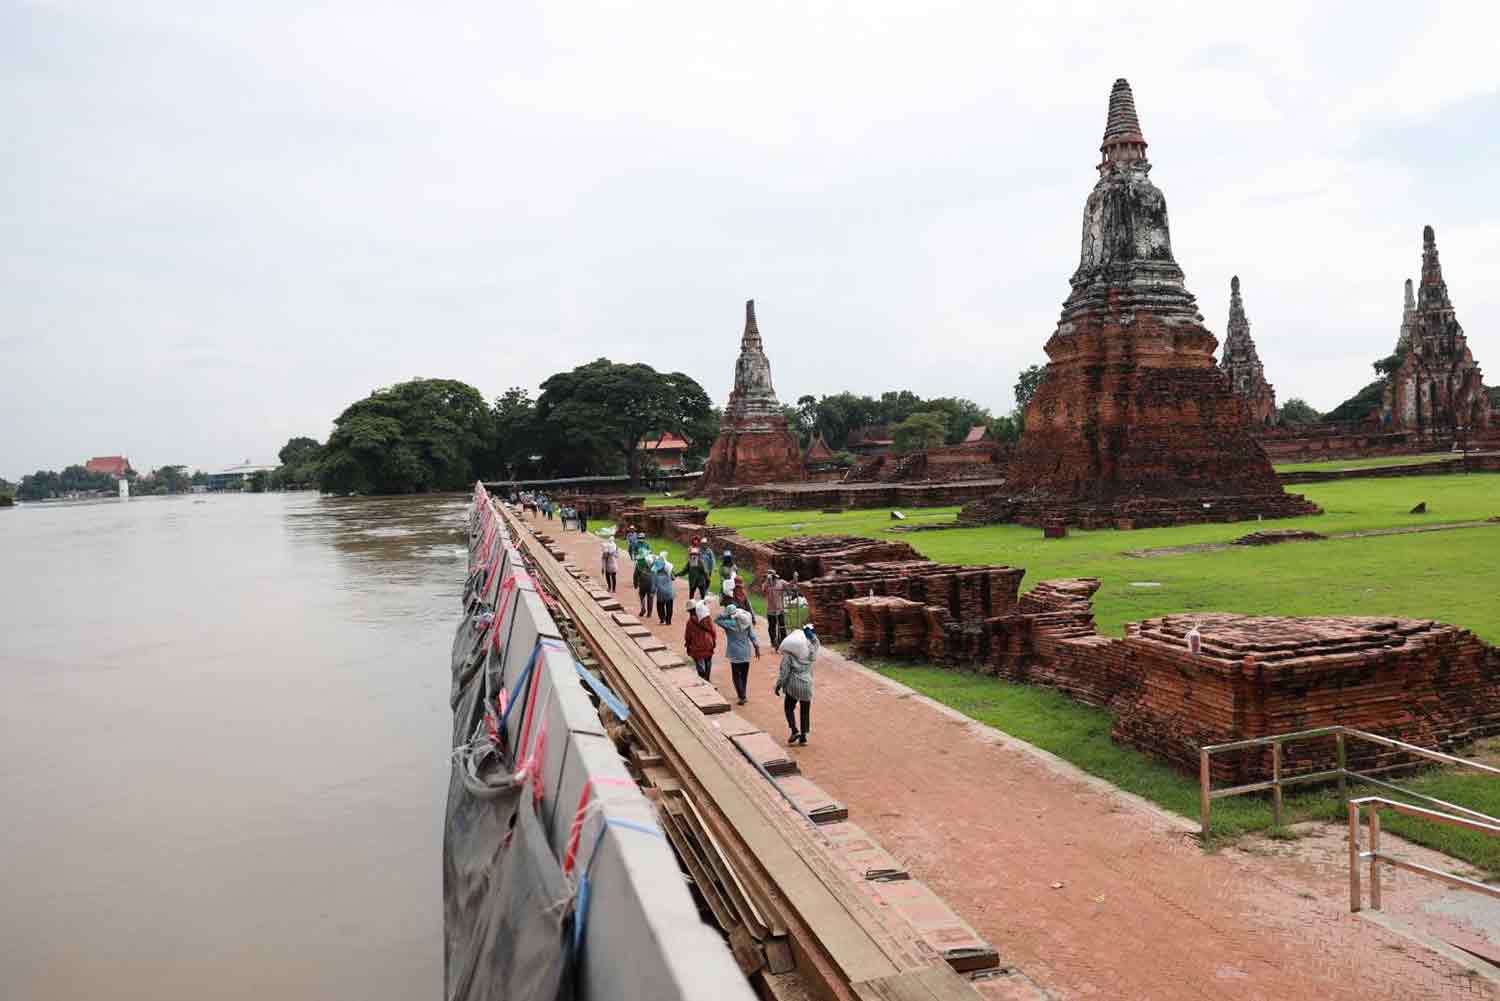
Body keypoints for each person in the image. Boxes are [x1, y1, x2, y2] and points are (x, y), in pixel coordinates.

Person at [775, 625, 819, 745]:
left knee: (788, 708)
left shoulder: (788, 655)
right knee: (805, 711)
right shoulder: (810, 651)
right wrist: (812, 636)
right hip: (807, 685)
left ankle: (794, 730)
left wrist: (778, 685)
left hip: (793, 686)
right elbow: (816, 645)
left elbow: (784, 673)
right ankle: (803, 737)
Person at [714, 601, 761, 706]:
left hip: (734, 653)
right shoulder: (746, 622)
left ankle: (742, 696)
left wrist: (725, 614)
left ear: (730, 614)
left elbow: (716, 619)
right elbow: (752, 636)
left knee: (736, 675)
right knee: (744, 675)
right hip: (746, 652)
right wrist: (756, 647)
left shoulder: (729, 624)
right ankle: (743, 694)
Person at [684, 600, 717, 680]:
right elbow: (713, 630)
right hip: (708, 643)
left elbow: (687, 636)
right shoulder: (706, 619)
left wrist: (688, 645)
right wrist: (713, 640)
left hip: (696, 645)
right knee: (708, 660)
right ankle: (707, 678)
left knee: (699, 662)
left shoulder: (690, 622)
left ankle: (702, 679)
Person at [764, 569, 788, 648]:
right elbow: (764, 590)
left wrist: (794, 580)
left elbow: (790, 586)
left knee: (782, 626)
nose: (773, 579)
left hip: (780, 609)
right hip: (770, 610)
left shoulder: (781, 582)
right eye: (770, 577)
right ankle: (773, 642)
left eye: (773, 577)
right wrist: (769, 582)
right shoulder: (766, 584)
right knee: (772, 626)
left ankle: (784, 641)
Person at [653, 551, 675, 626]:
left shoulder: (656, 573)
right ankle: (668, 621)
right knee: (669, 606)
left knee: (660, 606)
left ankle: (662, 619)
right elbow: (673, 578)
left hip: (660, 593)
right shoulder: (668, 570)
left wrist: (652, 592)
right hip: (669, 592)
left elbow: (654, 584)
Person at [634, 551, 654, 618]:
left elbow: (635, 575)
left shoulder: (639, 564)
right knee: (650, 598)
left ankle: (643, 608)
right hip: (651, 582)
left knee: (641, 595)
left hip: (642, 582)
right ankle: (649, 613)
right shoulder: (653, 563)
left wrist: (635, 584)